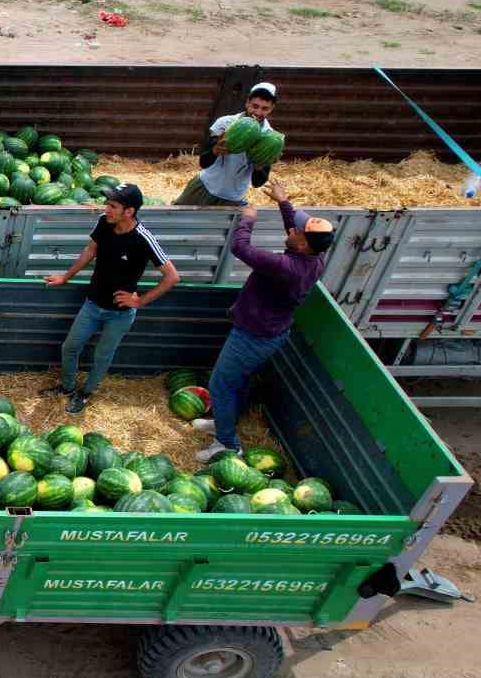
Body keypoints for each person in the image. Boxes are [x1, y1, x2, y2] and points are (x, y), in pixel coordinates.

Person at [194, 181, 334, 462]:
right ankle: (224, 424)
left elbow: (240, 247)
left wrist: (247, 220)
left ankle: (228, 445)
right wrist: (284, 202)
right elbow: (294, 233)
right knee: (238, 382)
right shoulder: (313, 257)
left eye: (296, 229)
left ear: (304, 243)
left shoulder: (285, 266)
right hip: (267, 333)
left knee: (221, 384)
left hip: (253, 336)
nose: (291, 229)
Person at [42, 184, 180, 414]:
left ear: (130, 211)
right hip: (93, 303)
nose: (107, 209)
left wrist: (139, 301)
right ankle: (67, 388)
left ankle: (84, 394)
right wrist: (65, 277)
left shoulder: (143, 238)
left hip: (120, 314)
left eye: (113, 205)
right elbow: (90, 250)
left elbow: (172, 276)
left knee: (102, 356)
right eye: (107, 204)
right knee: (70, 346)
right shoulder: (104, 222)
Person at [176, 82, 279, 207]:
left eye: (265, 108)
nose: (258, 112)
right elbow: (203, 163)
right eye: (255, 106)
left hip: (232, 199)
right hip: (203, 187)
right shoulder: (225, 123)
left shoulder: (269, 137)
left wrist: (258, 167)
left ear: (272, 108)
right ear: (247, 103)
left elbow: (257, 183)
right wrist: (215, 151)